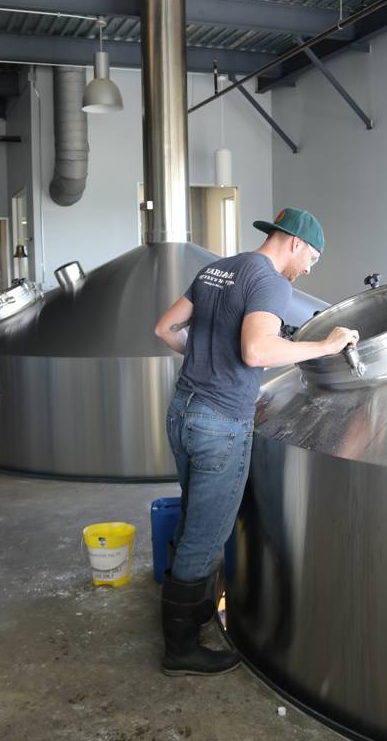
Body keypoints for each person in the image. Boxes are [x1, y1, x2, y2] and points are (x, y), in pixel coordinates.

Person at [154, 207, 359, 676]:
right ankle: (180, 649)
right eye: (313, 257)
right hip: (219, 422)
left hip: (183, 410)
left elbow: (165, 328)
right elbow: (258, 350)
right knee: (205, 539)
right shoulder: (270, 281)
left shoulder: (217, 268)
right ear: (294, 243)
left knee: (192, 518)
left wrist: (209, 357)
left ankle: (186, 616)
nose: (309, 268)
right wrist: (326, 346)